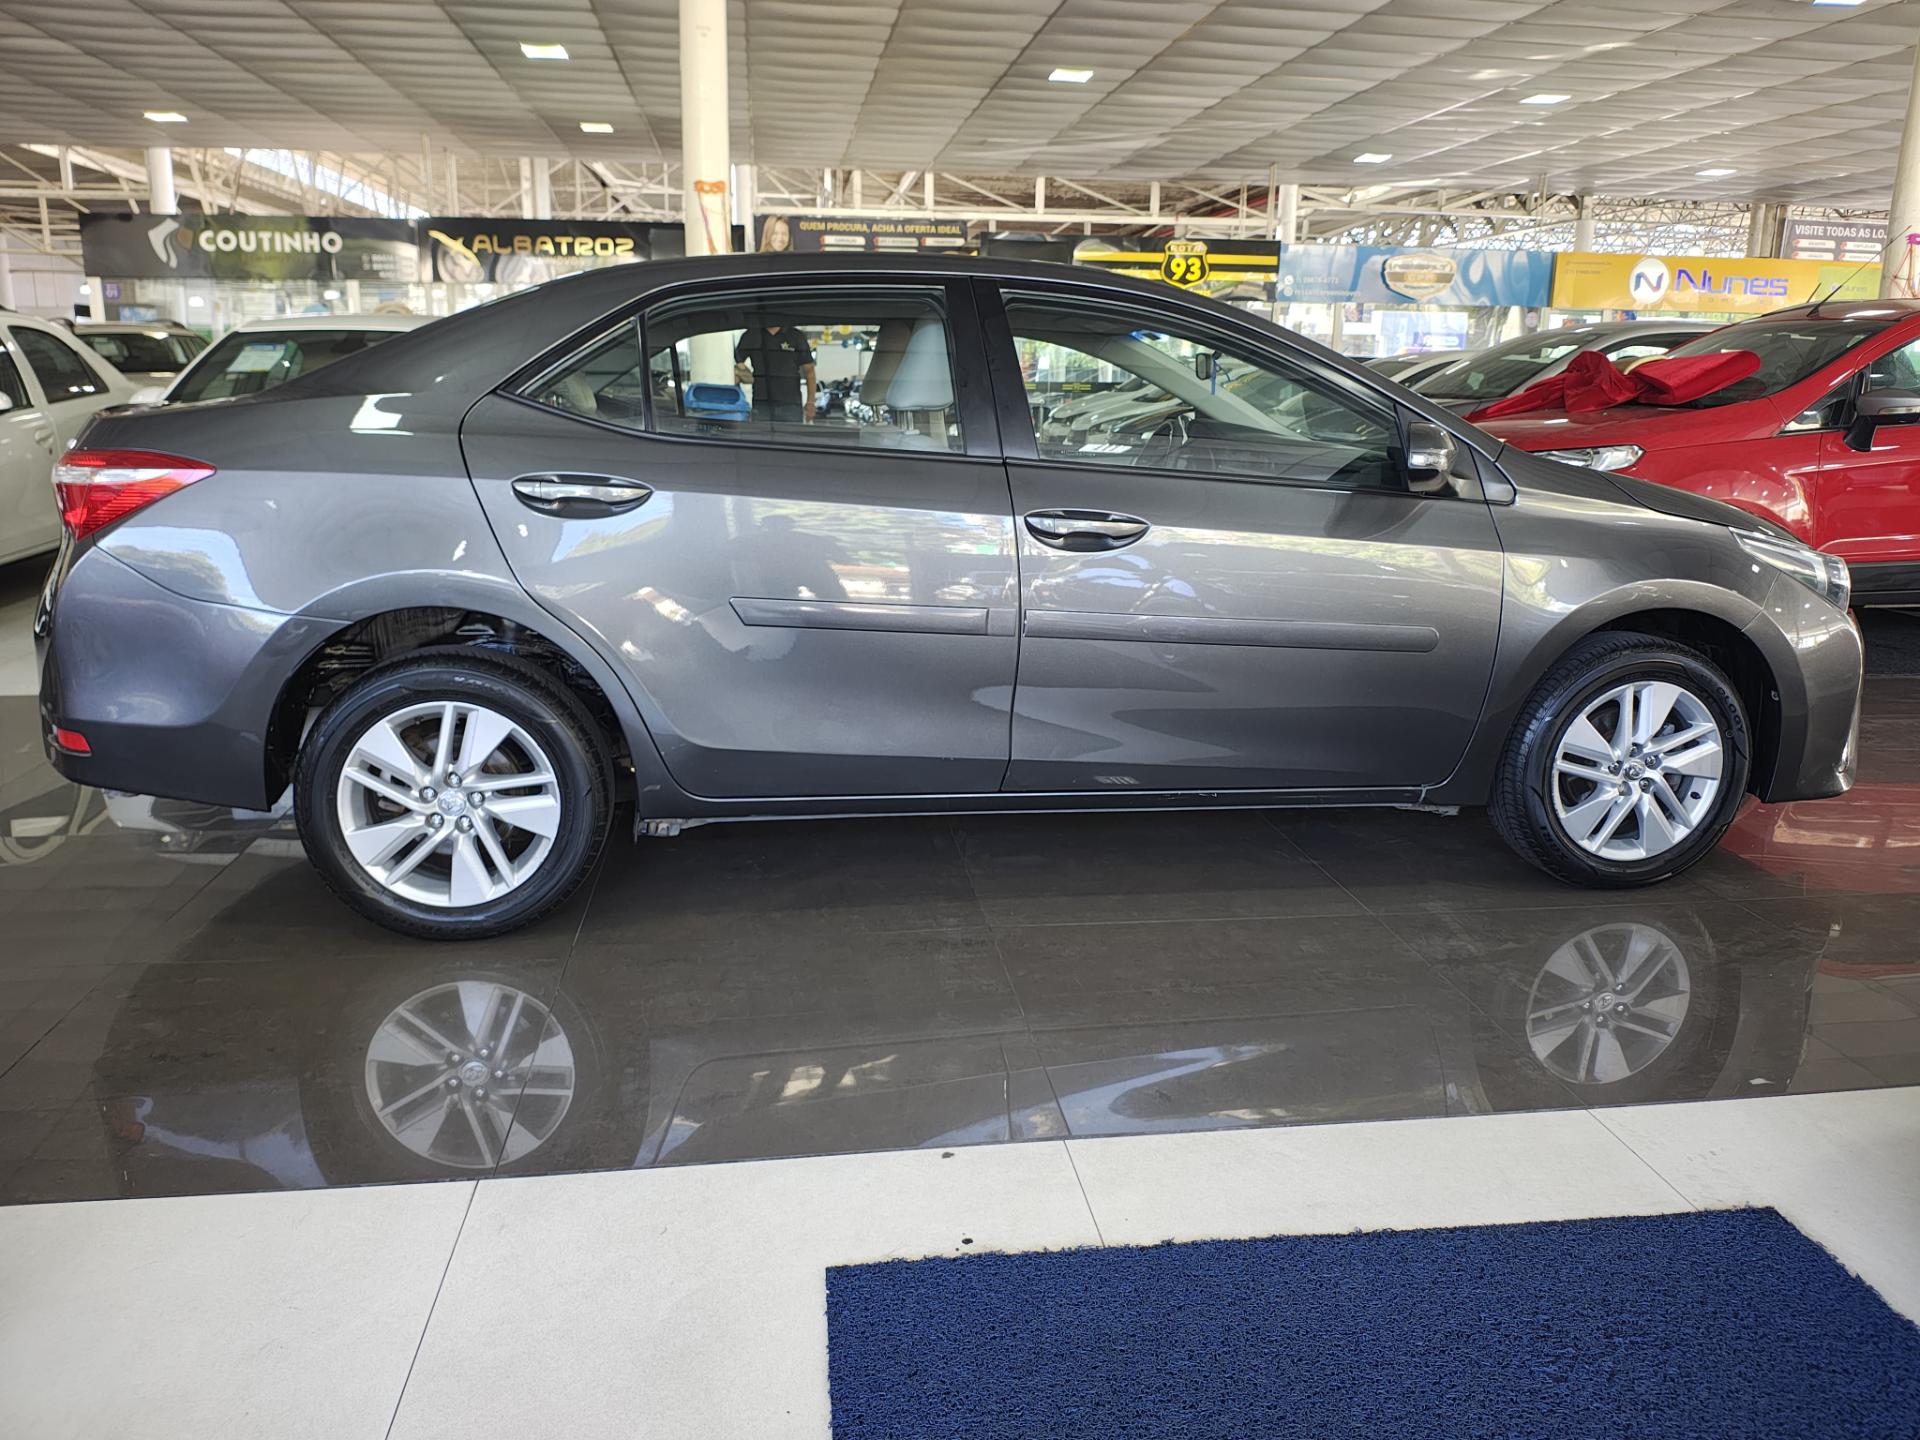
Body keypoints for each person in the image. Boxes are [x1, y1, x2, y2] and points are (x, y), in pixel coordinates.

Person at [734, 321, 816, 424]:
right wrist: (740, 376)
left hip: (791, 405)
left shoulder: (796, 336)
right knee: (760, 434)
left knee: (792, 434)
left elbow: (809, 371)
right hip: (761, 404)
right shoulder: (751, 335)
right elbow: (734, 365)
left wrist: (810, 402)